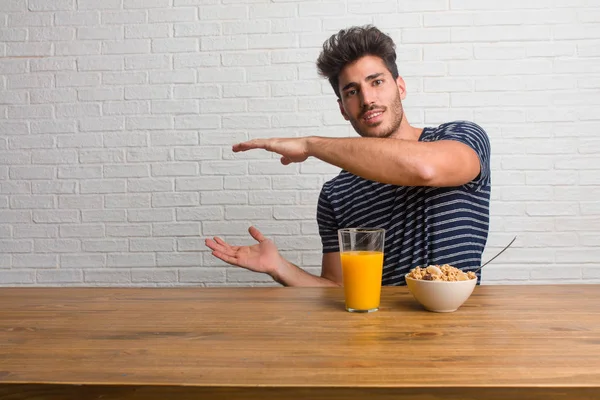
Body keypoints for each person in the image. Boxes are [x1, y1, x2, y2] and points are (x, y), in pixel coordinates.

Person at [205, 25, 491, 287]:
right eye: (352, 91)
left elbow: (424, 169)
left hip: (461, 333)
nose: (367, 99)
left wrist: (310, 144)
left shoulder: (461, 137)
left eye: (376, 82)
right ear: (342, 108)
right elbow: (338, 288)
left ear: (400, 87)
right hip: (380, 336)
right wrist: (279, 267)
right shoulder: (337, 193)